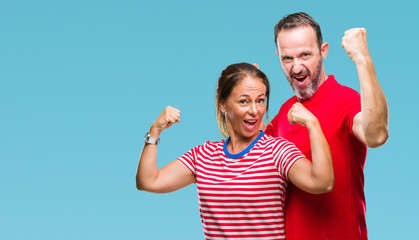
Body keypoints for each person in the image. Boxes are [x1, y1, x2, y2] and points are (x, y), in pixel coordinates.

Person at [136, 63, 334, 239]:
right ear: (223, 103)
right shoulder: (203, 155)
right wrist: (155, 131)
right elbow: (148, 181)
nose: (255, 111)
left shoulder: (277, 151)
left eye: (260, 100)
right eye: (244, 101)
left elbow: (322, 182)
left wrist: (313, 124)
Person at [264, 12, 389, 240]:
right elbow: (252, 149)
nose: (297, 67)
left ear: (323, 51)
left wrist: (362, 58)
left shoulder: (345, 100)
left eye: (305, 55)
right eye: (287, 59)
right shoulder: (285, 112)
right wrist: (247, 93)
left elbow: (377, 134)